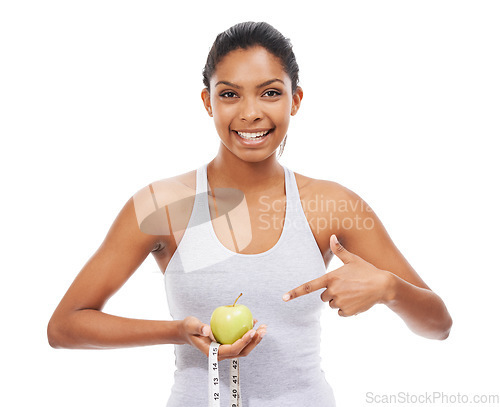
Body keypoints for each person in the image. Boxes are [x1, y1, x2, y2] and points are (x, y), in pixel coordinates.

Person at [47, 21, 453, 406]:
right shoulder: (162, 205)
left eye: (270, 92)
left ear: (295, 100)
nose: (250, 113)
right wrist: (177, 333)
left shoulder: (332, 205)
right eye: (229, 94)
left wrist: (390, 289)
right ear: (208, 102)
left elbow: (439, 325)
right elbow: (64, 326)